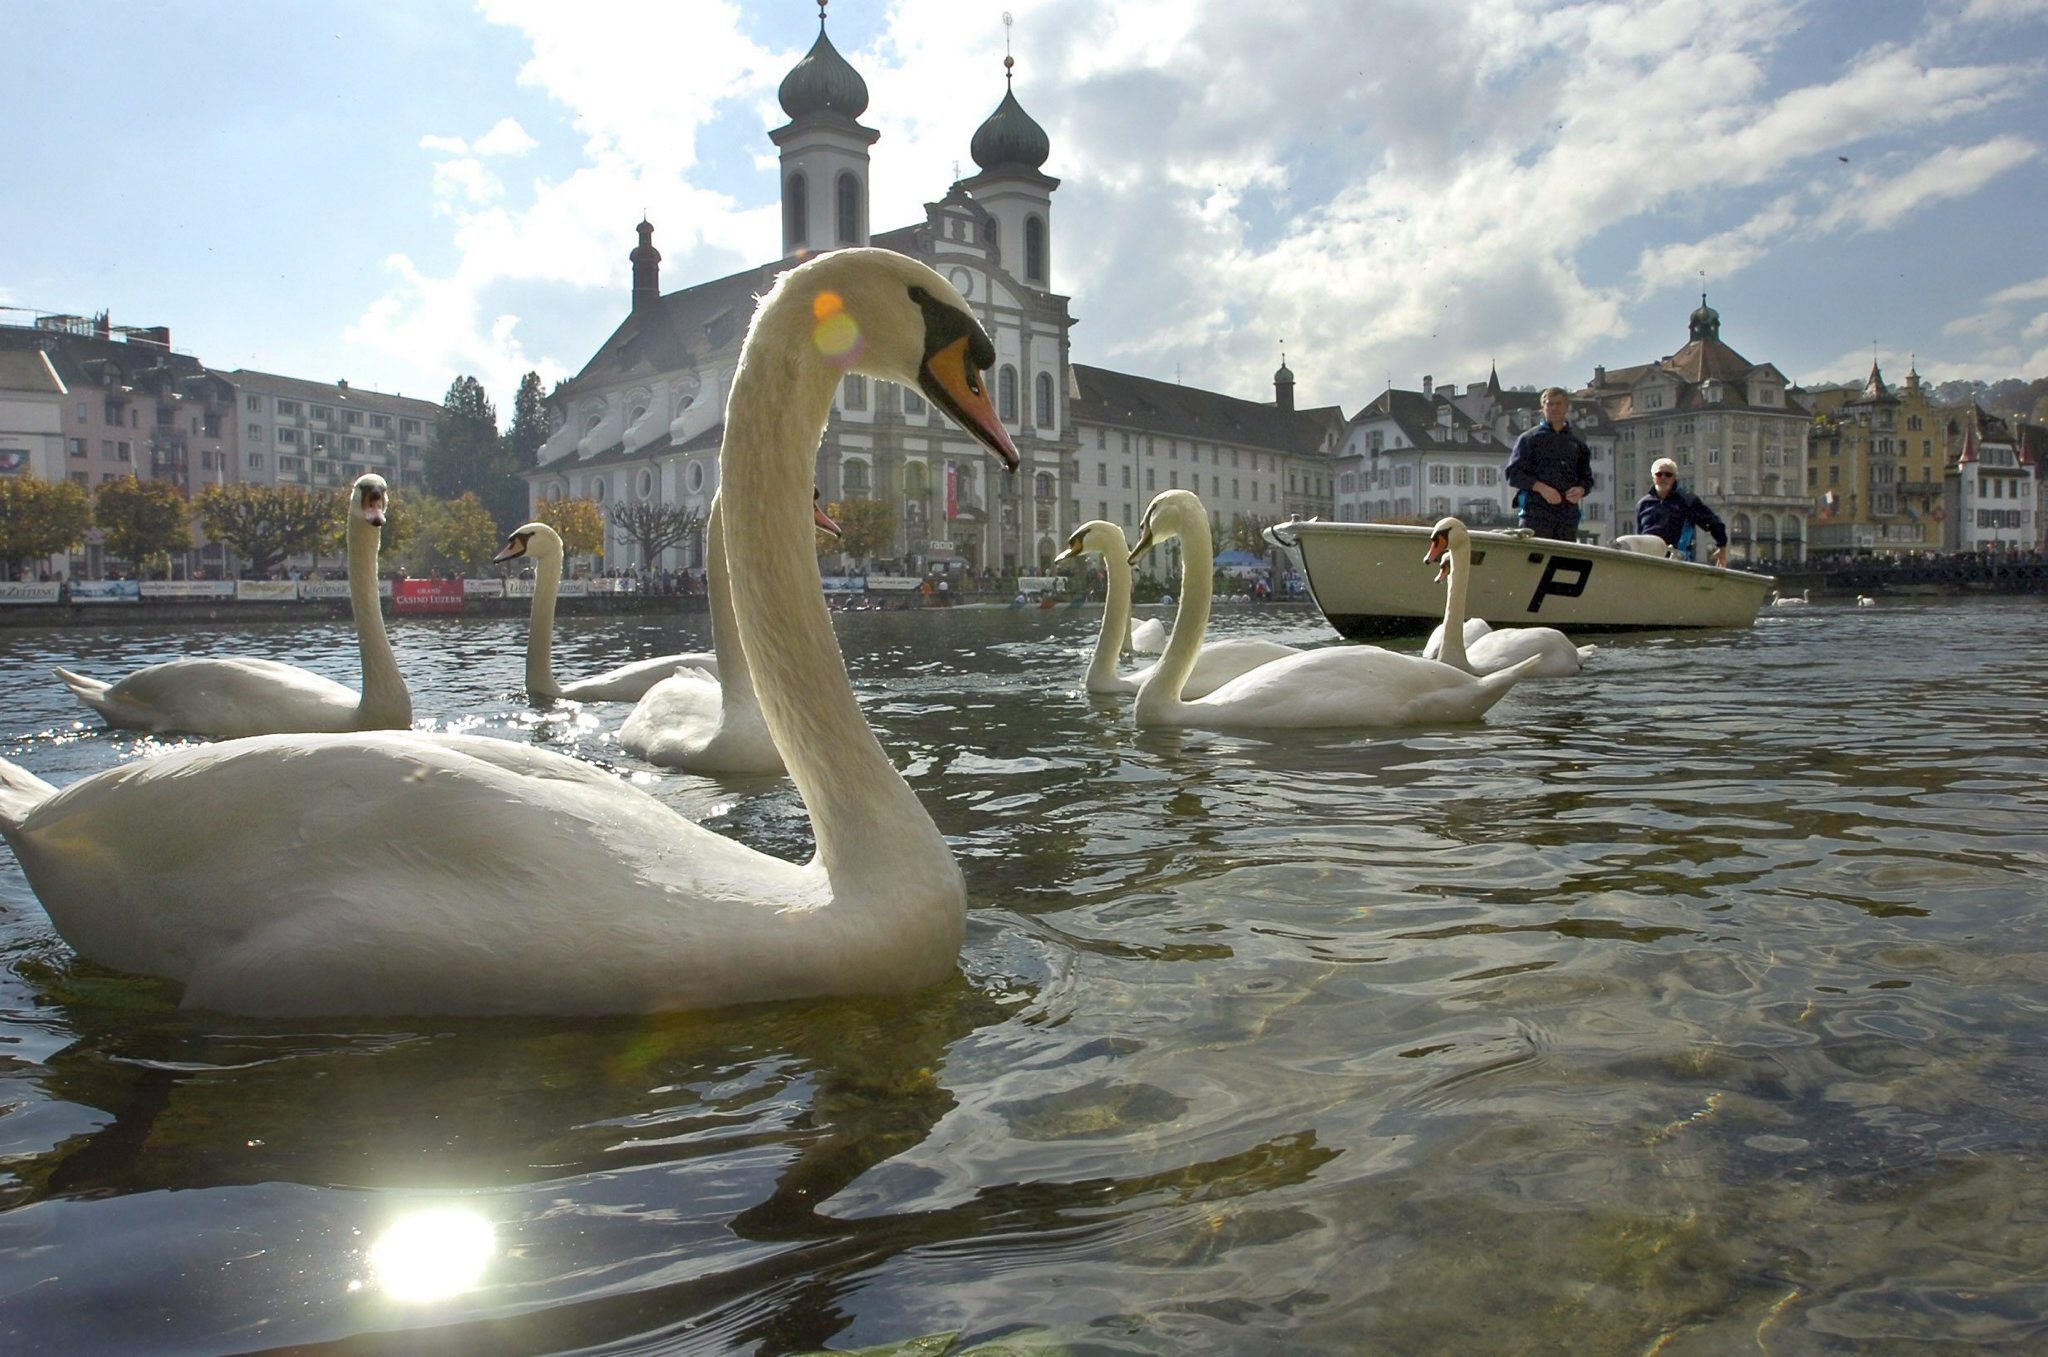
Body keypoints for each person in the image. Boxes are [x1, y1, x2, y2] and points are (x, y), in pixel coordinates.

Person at [1505, 387, 1594, 541]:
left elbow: (1587, 478)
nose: (1554, 408)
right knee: (1533, 561)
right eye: (1549, 404)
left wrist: (1581, 489)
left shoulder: (1577, 442)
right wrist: (1541, 488)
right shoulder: (1529, 439)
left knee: (1563, 562)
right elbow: (1513, 474)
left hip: (1567, 516)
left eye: (1558, 404)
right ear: (1543, 409)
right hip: (1536, 514)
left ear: (1567, 408)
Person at [1636, 456, 1728, 566]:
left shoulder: (1687, 500)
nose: (1663, 477)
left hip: (1677, 560)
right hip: (1648, 560)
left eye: (1668, 474)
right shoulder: (1643, 504)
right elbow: (1639, 534)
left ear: (1674, 478)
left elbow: (1713, 522)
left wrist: (1721, 547)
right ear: (1653, 477)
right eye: (1659, 474)